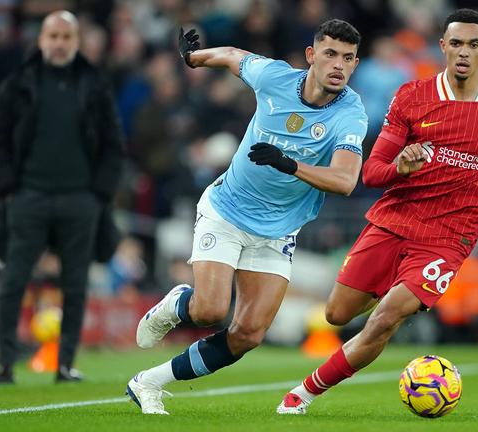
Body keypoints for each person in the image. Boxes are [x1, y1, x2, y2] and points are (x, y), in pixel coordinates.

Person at [276, 8, 478, 414]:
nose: (463, 52)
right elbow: (373, 173)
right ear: (442, 47)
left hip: (450, 236)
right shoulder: (413, 96)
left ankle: (303, 394)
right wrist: (401, 166)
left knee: (383, 319)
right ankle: (394, 290)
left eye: (472, 44)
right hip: (395, 219)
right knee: (336, 313)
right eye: (455, 43)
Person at [126, 19, 368, 415]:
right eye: (329, 54)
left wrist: (290, 166)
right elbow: (234, 57)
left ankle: (149, 382)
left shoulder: (350, 113)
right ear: (311, 57)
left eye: (347, 58)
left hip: (279, 230)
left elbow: (344, 180)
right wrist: (193, 59)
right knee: (209, 310)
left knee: (248, 334)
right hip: (227, 211)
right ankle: (178, 304)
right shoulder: (274, 77)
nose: (338, 65)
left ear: (355, 64)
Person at [0, 10, 124, 384]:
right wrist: (8, 188)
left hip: (80, 200)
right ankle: (5, 364)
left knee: (75, 285)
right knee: (13, 280)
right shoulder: (19, 83)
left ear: (76, 42)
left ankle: (64, 364)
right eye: (53, 36)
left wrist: (99, 195)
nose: (59, 43)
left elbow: (113, 144)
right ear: (41, 40)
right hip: (28, 196)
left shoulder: (94, 84)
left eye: (66, 37)